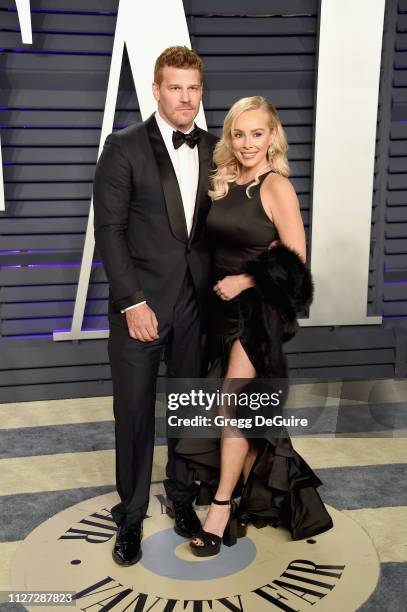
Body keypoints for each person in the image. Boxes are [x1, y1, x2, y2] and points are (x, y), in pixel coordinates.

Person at [173, 96, 333, 557]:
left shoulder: (275, 185)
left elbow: (296, 263)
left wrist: (246, 279)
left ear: (272, 136)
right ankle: (259, 491)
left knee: (230, 406)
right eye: (239, 134)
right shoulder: (225, 181)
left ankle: (221, 508)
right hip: (219, 312)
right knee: (240, 411)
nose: (247, 143)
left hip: (257, 313)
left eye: (257, 133)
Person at [93, 46, 218, 565]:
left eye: (193, 88)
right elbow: (111, 232)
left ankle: (184, 498)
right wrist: (131, 302)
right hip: (140, 307)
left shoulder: (217, 149)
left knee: (189, 409)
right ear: (157, 90)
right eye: (175, 88)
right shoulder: (122, 147)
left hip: (197, 308)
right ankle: (132, 515)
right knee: (135, 414)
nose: (185, 98)